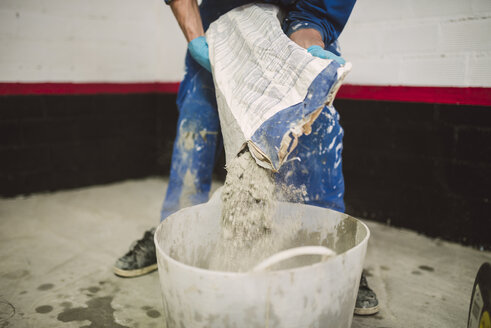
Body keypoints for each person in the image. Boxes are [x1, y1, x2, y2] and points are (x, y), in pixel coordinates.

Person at [114, 0, 379, 315]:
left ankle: (332, 254)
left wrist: (306, 46)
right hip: (219, 23)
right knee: (196, 126)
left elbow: (320, 7)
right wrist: (196, 37)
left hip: (296, 24)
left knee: (316, 134)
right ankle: (174, 239)